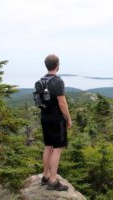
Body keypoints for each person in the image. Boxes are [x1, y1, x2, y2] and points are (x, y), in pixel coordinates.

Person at [39, 54, 72, 191]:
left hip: (44, 118)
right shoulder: (57, 81)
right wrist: (68, 119)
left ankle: (45, 176)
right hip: (56, 120)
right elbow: (62, 103)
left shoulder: (41, 80)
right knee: (57, 149)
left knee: (48, 146)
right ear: (57, 65)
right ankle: (53, 181)